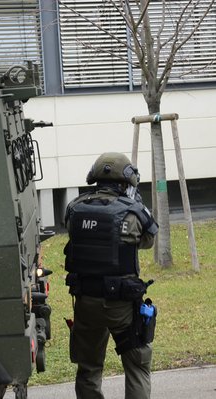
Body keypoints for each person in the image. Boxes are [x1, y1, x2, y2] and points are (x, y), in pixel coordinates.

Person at [64, 152, 158, 399]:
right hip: (121, 306)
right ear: (126, 181)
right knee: (137, 366)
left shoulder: (74, 208)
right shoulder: (133, 210)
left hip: (85, 302)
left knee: (88, 368)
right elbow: (148, 240)